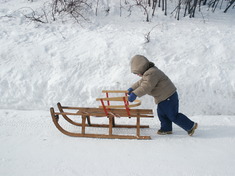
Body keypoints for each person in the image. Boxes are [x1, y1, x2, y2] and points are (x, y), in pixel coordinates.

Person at [127, 55, 198, 136]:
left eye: (137, 72)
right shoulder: (148, 73)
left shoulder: (152, 73)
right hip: (162, 98)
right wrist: (132, 88)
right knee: (162, 114)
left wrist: (135, 94)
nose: (138, 75)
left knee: (172, 115)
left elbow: (146, 86)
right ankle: (166, 129)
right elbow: (140, 82)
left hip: (169, 96)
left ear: (142, 68)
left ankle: (191, 126)